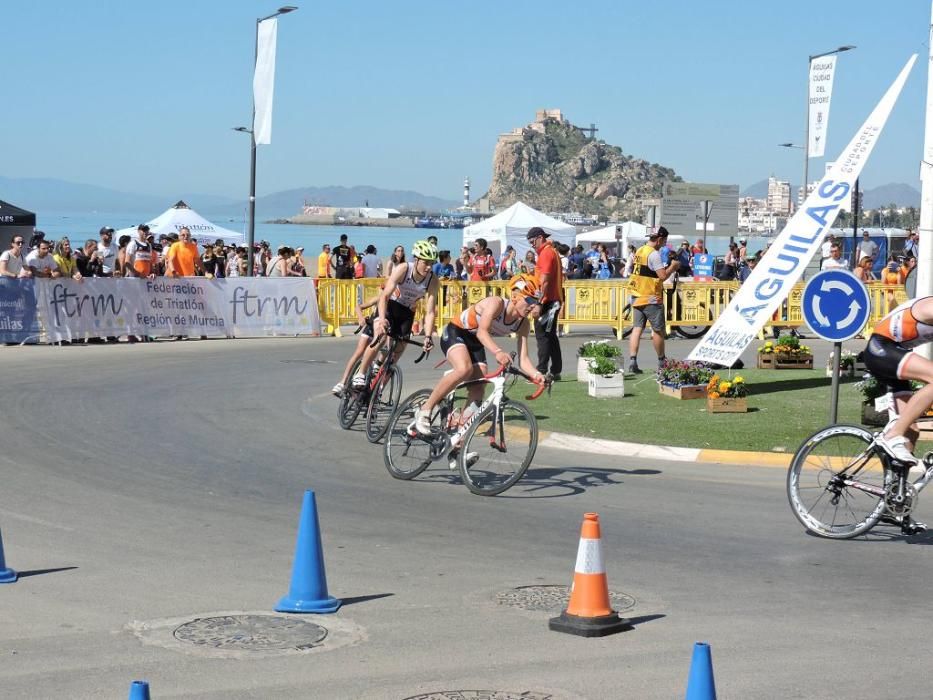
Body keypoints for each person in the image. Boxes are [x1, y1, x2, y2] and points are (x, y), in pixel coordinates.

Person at [412, 273, 545, 439]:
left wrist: (537, 374)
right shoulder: (496, 304)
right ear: (515, 296)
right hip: (457, 331)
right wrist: (498, 352)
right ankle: (425, 409)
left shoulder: (523, 324)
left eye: (536, 303)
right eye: (530, 301)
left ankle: (457, 440)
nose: (533, 307)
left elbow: (524, 359)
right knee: (464, 369)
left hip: (475, 342)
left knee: (479, 388)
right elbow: (482, 332)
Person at [335, 240, 440, 394]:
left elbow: (430, 312)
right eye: (426, 262)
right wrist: (382, 318)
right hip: (390, 305)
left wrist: (428, 336)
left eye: (432, 263)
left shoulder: (433, 280)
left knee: (399, 349)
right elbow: (384, 296)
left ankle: (377, 390)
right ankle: (361, 373)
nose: (429, 266)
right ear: (416, 260)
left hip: (406, 312)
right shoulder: (404, 269)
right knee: (381, 335)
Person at [863, 297, 933, 475]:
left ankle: (896, 494)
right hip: (880, 349)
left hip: (893, 354)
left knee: (912, 432)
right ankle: (892, 434)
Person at [627, 227, 680, 374]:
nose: (664, 243)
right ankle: (662, 361)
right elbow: (662, 276)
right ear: (659, 239)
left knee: (637, 329)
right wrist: (673, 267)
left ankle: (633, 361)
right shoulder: (654, 254)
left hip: (636, 295)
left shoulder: (640, 250)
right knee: (658, 330)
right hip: (651, 297)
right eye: (664, 241)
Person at [528, 226, 563, 379]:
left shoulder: (546, 253)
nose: (531, 244)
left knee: (543, 336)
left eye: (532, 241)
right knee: (549, 336)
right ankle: (556, 370)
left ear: (540, 237)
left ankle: (541, 370)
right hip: (552, 300)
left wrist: (538, 303)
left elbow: (545, 281)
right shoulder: (549, 252)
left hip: (548, 301)